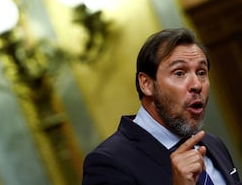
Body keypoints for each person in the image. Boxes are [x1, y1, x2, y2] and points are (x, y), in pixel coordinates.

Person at [82, 28, 241, 185]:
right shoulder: (108, 163)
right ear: (146, 84)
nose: (197, 85)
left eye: (201, 72)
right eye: (179, 73)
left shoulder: (214, 144)